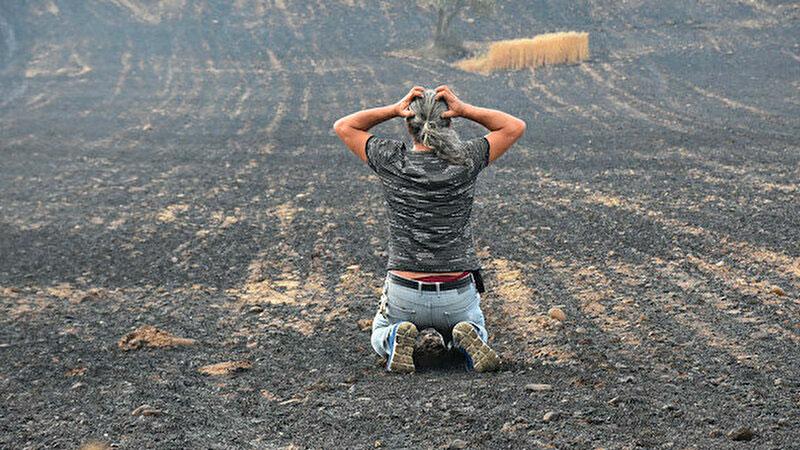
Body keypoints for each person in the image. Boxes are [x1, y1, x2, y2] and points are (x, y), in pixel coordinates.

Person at [333, 85, 526, 373]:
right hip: (455, 292)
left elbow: (344, 126)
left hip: (404, 291)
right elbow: (513, 126)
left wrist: (393, 109)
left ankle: (395, 336)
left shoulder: (392, 159)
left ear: (409, 125)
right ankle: (464, 336)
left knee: (378, 333)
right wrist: (464, 109)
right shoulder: (465, 159)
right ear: (448, 123)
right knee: (476, 326)